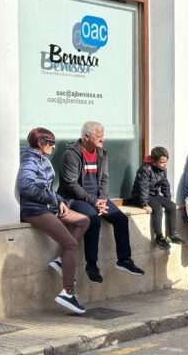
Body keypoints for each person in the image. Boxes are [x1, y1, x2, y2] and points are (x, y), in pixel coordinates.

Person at [58, 121, 144, 283]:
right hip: (76, 198)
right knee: (93, 219)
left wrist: (103, 199)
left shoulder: (101, 153)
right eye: (99, 137)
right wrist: (94, 202)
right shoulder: (71, 154)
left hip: (97, 198)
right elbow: (71, 184)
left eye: (103, 136)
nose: (102, 140)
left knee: (121, 219)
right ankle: (91, 264)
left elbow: (105, 177)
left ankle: (124, 260)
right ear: (86, 136)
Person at [18, 128, 90, 314]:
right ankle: (68, 292)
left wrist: (60, 201)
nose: (53, 145)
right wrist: (51, 201)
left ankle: (60, 261)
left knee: (84, 220)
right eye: (50, 142)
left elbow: (48, 188)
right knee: (71, 244)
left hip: (48, 207)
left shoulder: (41, 158)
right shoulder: (30, 158)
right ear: (41, 143)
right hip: (35, 211)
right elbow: (26, 186)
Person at [131, 146, 186, 250]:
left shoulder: (162, 169)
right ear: (153, 161)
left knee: (172, 206)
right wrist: (144, 204)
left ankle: (173, 234)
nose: (164, 164)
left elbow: (165, 185)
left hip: (153, 194)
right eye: (161, 162)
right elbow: (143, 187)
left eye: (166, 162)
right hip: (140, 196)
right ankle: (159, 237)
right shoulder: (145, 169)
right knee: (158, 208)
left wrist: (167, 200)